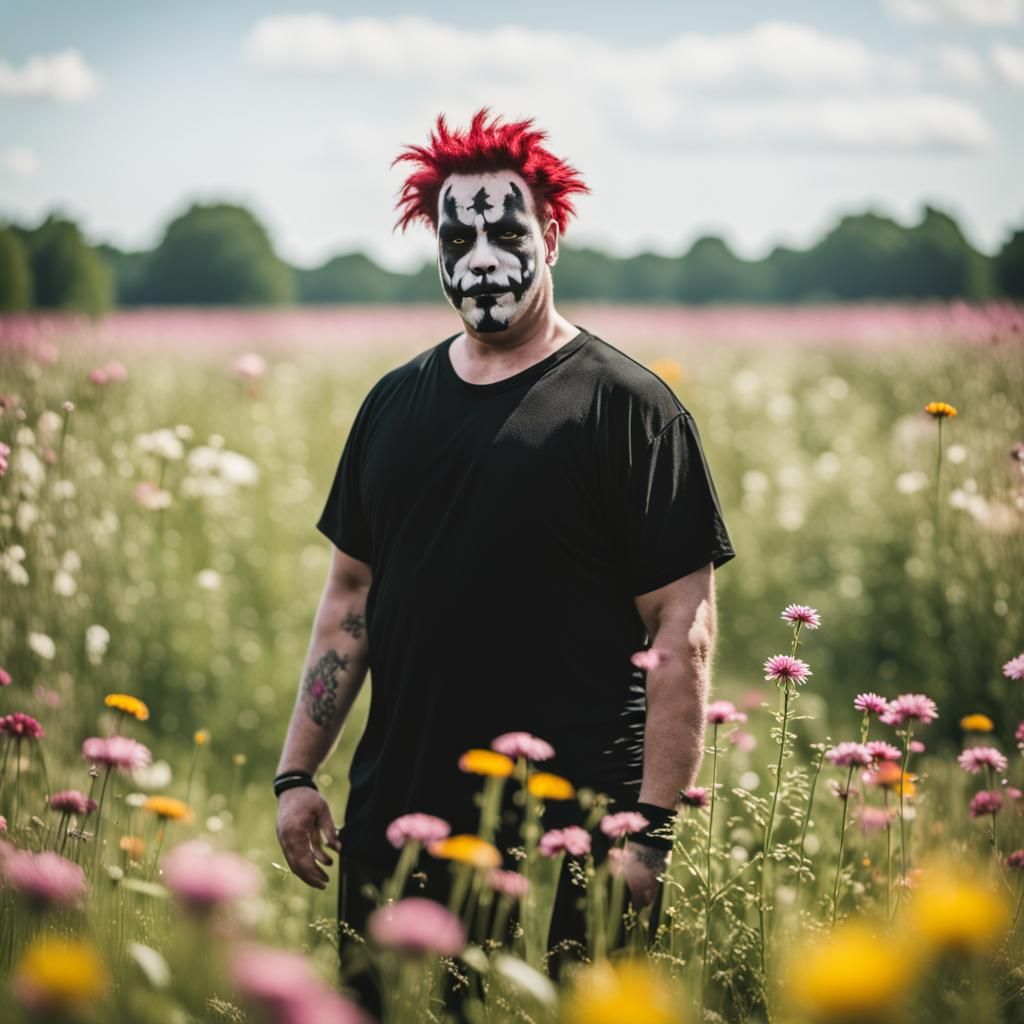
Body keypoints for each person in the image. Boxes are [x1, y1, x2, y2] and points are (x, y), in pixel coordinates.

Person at [273, 107, 736, 1014]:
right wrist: (298, 773)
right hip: (400, 820)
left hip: (571, 838)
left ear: (550, 235)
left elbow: (683, 627)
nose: (480, 258)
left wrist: (650, 834)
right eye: (457, 236)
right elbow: (350, 600)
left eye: (504, 231)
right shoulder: (392, 404)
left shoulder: (631, 410)